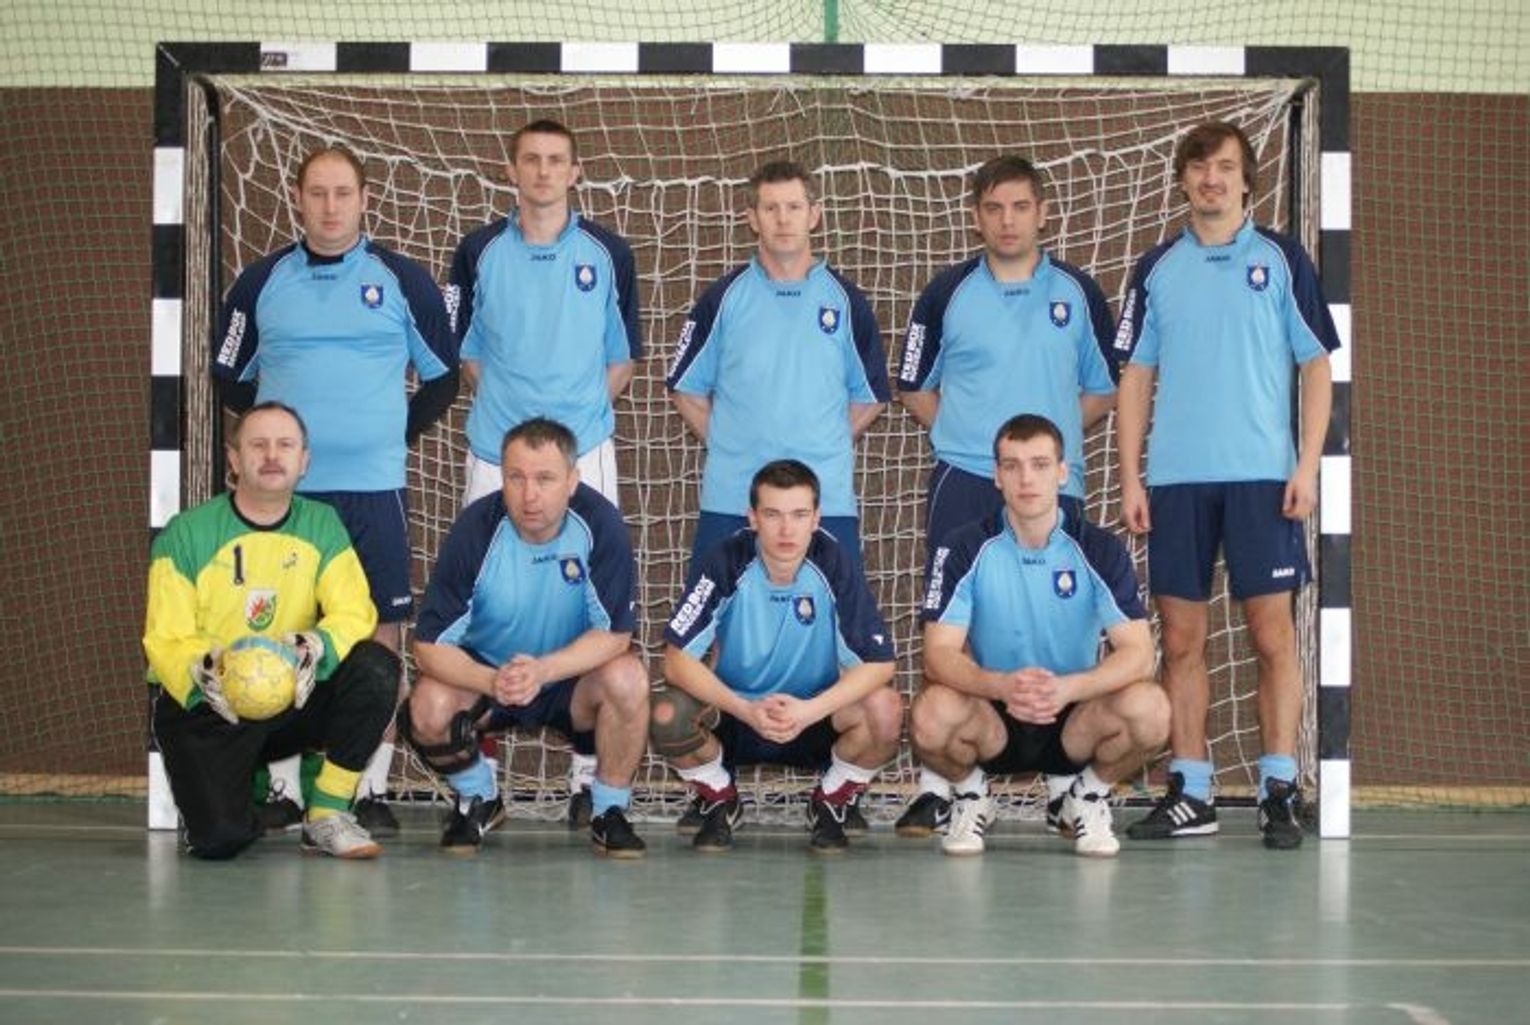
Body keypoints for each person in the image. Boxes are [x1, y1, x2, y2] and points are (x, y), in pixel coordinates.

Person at [212, 144, 459, 835]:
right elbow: (229, 375)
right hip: (286, 500)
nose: (329, 206)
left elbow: (441, 377)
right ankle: (284, 786)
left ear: (363, 199)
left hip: (373, 492)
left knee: (375, 637)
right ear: (297, 199)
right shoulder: (259, 283)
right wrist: (281, 444)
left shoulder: (402, 280)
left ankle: (364, 786)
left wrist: (385, 434)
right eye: (317, 193)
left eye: (342, 193)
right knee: (276, 624)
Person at [1114, 121, 1339, 850]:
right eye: (1199, 166)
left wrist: (1306, 466)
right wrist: (1130, 478)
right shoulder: (1155, 268)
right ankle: (1192, 789)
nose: (1211, 178)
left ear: (1247, 181)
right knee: (1181, 639)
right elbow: (1136, 375)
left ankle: (1279, 786)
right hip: (1176, 482)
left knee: (1271, 635)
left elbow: (1316, 364)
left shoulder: (1281, 259)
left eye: (1225, 167)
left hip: (1261, 481)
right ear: (1183, 179)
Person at [893, 154, 1118, 836]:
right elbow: (913, 386)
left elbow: (1102, 389)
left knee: (1060, 619)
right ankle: (943, 786)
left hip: (1055, 487)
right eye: (994, 208)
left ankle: (1064, 781)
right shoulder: (946, 293)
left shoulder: (1078, 293)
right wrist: (972, 445)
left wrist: (1040, 460)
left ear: (1043, 213)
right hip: (964, 479)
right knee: (952, 626)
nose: (1008, 220)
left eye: (1021, 206)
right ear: (976, 217)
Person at [143, 402, 400, 860]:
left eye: (285, 445)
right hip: (211, 706)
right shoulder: (185, 534)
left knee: (377, 667)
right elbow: (165, 635)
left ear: (304, 461)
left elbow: (353, 611)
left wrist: (316, 647)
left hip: (292, 699)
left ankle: (327, 813)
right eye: (257, 445)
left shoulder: (322, 525)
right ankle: (246, 803)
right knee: (219, 842)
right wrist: (205, 669)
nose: (271, 455)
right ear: (234, 458)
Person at [909, 414, 1168, 857]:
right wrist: (1001, 686)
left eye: (1040, 464)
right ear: (997, 476)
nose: (1026, 479)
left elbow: (1139, 654)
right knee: (930, 714)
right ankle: (972, 795)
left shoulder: (1100, 549)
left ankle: (1086, 796)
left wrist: (1068, 688)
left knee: (1153, 709)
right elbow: (938, 654)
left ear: (1063, 472)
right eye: (1012, 466)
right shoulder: (964, 547)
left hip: (1074, 716)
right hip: (994, 715)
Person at [401, 417, 650, 858]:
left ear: (572, 481)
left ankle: (608, 810)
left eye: (545, 479)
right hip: (491, 681)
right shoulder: (476, 529)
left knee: (629, 678)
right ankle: (478, 797)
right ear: (502, 477)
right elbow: (428, 646)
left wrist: (543, 670)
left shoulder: (600, 524)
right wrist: (492, 680)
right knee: (427, 707)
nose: (529, 494)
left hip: (569, 681)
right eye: (516, 477)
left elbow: (615, 636)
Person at [650, 460, 902, 855]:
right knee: (667, 714)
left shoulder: (833, 562)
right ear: (752, 518)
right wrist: (745, 710)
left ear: (816, 518)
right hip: (737, 714)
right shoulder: (726, 560)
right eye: (772, 514)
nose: (787, 530)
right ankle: (720, 797)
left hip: (813, 716)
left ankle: (830, 802)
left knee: (886, 710)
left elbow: (880, 663)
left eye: (799, 515)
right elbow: (675, 660)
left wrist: (809, 711)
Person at [667, 160, 889, 574]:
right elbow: (686, 388)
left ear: (814, 214)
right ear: (752, 218)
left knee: (834, 610)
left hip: (823, 503)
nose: (783, 219)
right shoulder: (722, 299)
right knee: (714, 612)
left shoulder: (846, 302)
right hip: (734, 499)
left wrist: (820, 443)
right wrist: (733, 444)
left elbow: (871, 396)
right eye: (770, 208)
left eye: (794, 207)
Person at [450, 118, 640, 510]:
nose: (543, 171)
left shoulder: (610, 254)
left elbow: (622, 361)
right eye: (531, 159)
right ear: (511, 171)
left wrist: (576, 416)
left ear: (574, 173)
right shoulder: (476, 251)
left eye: (555, 160)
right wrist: (510, 406)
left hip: (582, 451)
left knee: (593, 552)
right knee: (484, 550)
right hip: (496, 450)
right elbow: (467, 356)